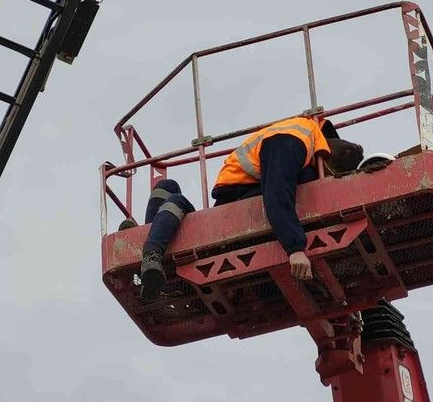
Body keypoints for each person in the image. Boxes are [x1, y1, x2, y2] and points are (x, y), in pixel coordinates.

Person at [137, 116, 364, 300]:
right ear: (325, 159)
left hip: (241, 197)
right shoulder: (293, 140)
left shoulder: (306, 137)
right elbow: (277, 192)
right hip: (235, 206)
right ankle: (151, 255)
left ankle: (150, 245)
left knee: (170, 193)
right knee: (173, 196)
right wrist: (295, 248)